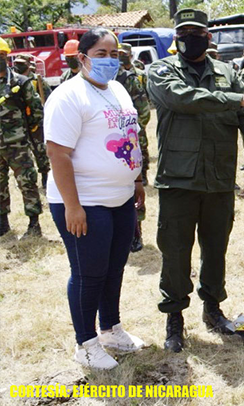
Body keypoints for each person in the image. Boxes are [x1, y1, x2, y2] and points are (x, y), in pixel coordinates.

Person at [147, 8, 244, 353]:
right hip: (178, 179)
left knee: (216, 248)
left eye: (196, 32)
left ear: (208, 37)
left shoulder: (226, 72)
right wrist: (238, 98)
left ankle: (213, 309)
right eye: (183, 32)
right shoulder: (160, 70)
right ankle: (174, 318)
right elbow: (183, 99)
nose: (190, 37)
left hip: (218, 177)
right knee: (175, 253)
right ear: (176, 37)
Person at [44, 28, 146, 370]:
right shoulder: (69, 96)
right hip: (84, 201)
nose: (109, 60)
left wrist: (137, 180)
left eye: (114, 54)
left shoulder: (117, 89)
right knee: (89, 273)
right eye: (101, 54)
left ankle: (111, 328)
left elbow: (129, 136)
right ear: (82, 57)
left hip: (120, 198)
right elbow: (57, 153)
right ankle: (85, 344)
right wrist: (73, 206)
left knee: (114, 267)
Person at [0, 39, 43, 238]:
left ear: (5, 57)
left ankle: (34, 224)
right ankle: (3, 224)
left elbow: (36, 111)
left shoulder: (19, 82)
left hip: (17, 144)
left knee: (27, 182)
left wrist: (25, 132)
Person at [115, 43, 152, 252]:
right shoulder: (97, 82)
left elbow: (143, 110)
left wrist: (132, 134)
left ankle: (136, 232)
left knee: (133, 189)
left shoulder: (129, 79)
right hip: (106, 147)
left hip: (127, 143)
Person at [15, 54, 51, 187]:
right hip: (19, 122)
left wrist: (38, 119)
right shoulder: (13, 80)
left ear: (28, 64)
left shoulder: (37, 80)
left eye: (21, 63)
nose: (18, 66)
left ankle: (45, 175)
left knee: (40, 150)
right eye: (17, 63)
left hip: (35, 123)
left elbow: (46, 99)